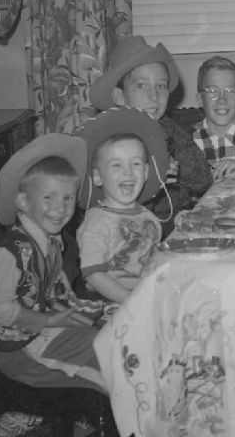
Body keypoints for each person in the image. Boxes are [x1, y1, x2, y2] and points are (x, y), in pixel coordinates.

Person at [0, 134, 103, 388]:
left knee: (115, 333)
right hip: (21, 349)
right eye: (48, 198)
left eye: (68, 198)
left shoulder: (51, 240)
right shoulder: (10, 253)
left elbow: (52, 282)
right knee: (110, 360)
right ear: (24, 202)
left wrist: (70, 308)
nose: (60, 208)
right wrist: (47, 321)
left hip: (47, 328)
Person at [89, 35, 212, 236]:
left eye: (161, 86)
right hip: (128, 232)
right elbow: (99, 200)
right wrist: (151, 178)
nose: (154, 96)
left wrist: (178, 166)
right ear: (119, 96)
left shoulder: (168, 128)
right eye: (141, 85)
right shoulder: (110, 140)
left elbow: (203, 180)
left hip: (176, 223)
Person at [73, 107, 170, 320]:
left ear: (146, 172)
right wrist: (134, 301)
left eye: (135, 163)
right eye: (116, 165)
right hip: (106, 302)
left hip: (142, 294)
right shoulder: (97, 221)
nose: (128, 172)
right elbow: (94, 275)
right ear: (97, 177)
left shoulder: (148, 217)